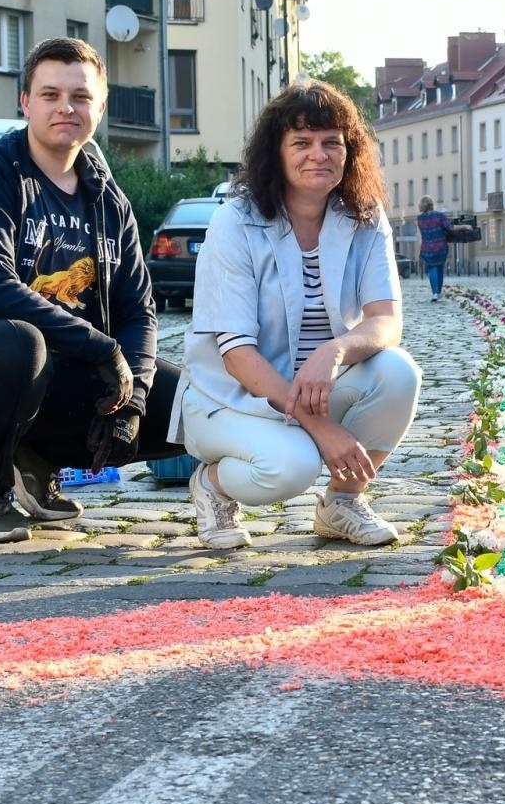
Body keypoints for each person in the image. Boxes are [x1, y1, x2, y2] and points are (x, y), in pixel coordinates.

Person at [0, 37, 185, 543]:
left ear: (100, 107)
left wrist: (132, 398)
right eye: (50, 95)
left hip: (47, 372)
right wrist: (103, 349)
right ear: (25, 102)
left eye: (81, 96)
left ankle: (34, 460)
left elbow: (138, 311)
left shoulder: (110, 203)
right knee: (19, 343)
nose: (66, 107)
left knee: (186, 402)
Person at [174, 79, 421, 550]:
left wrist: (334, 351)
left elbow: (386, 320)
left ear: (350, 151)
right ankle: (213, 485)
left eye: (332, 142)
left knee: (398, 373)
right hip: (232, 397)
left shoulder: (364, 216)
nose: (318, 155)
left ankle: (342, 503)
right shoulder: (235, 221)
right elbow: (237, 356)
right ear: (277, 151)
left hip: (316, 386)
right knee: (292, 467)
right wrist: (323, 430)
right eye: (302, 142)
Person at [415, 196, 452, 300]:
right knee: (440, 268)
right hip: (441, 246)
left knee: (432, 268)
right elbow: (450, 227)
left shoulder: (420, 218)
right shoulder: (440, 216)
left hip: (427, 248)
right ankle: (439, 292)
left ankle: (434, 292)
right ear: (432, 204)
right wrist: (464, 227)